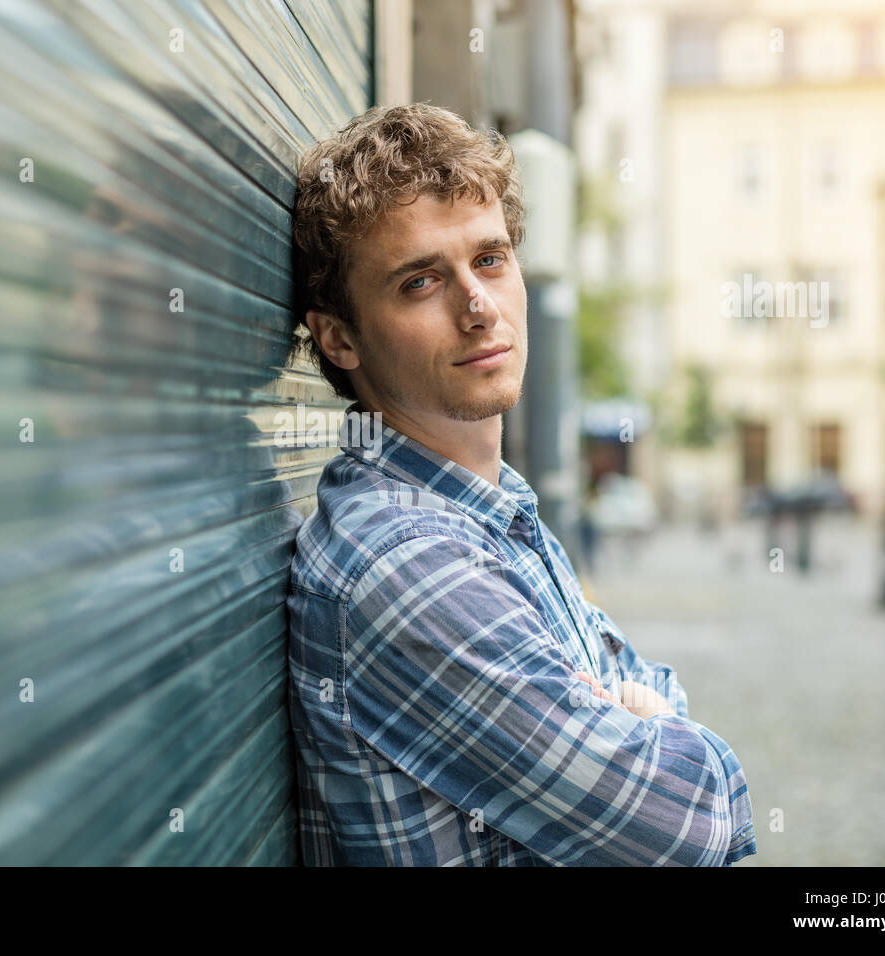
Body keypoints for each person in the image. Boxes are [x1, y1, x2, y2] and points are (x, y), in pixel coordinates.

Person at [285, 103, 757, 866]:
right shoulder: (406, 565)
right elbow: (687, 824)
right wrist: (625, 714)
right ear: (339, 337)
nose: (477, 305)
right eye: (419, 281)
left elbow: (645, 685)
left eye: (491, 260)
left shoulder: (488, 509)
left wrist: (631, 712)